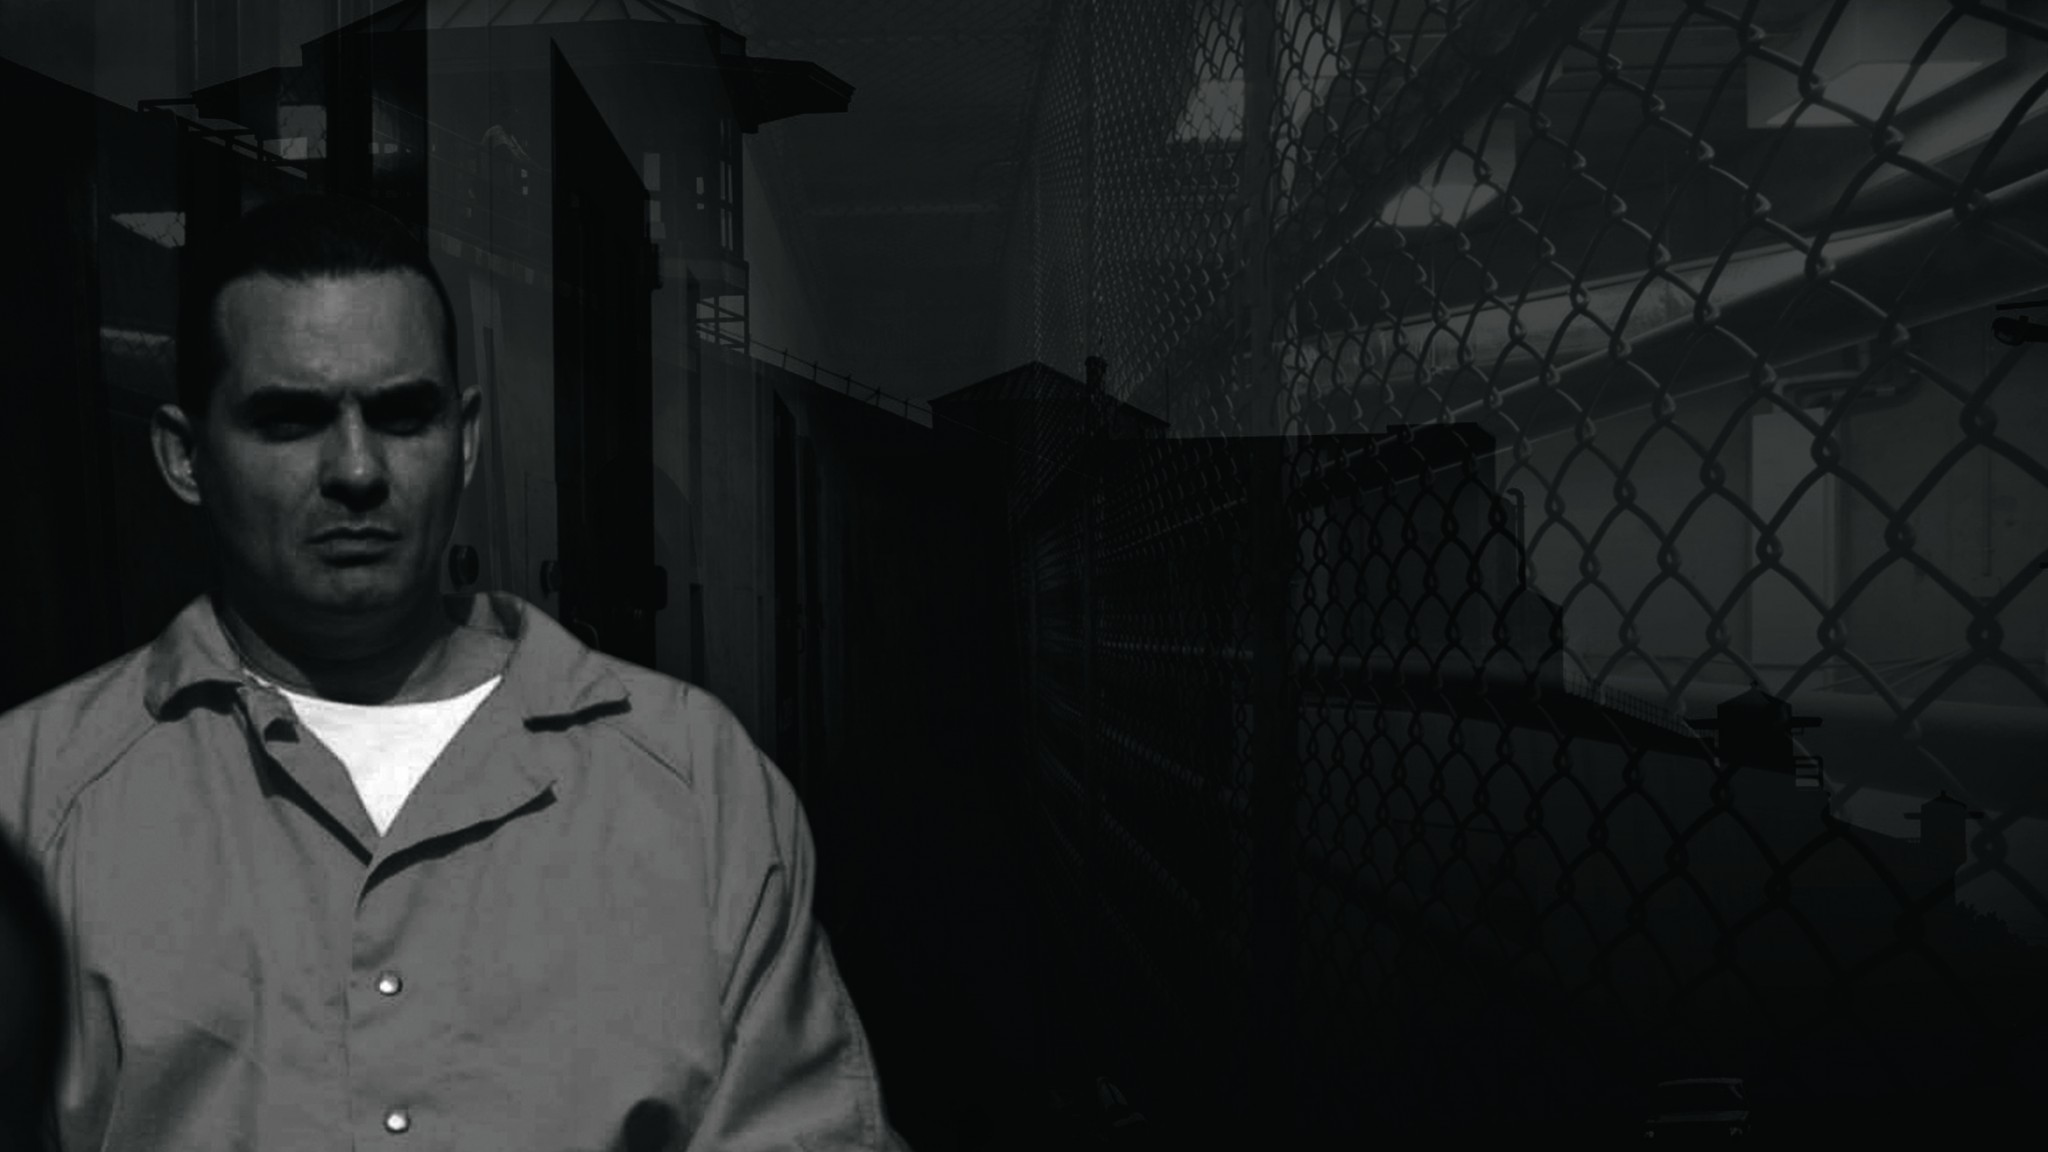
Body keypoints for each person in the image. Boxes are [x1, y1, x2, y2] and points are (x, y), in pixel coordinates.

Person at [0, 193, 909, 1151]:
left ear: (466, 440)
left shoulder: (693, 784)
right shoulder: (33, 803)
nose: (357, 469)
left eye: (402, 416)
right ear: (187, 457)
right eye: (291, 420)